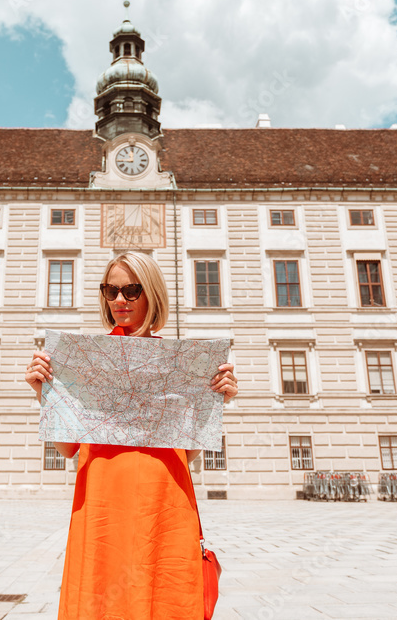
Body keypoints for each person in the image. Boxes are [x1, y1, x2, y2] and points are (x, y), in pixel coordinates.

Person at [25, 251, 238, 620]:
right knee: (102, 595)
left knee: (161, 590)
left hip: (163, 497)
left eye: (132, 290)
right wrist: (42, 392)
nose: (119, 300)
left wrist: (216, 402)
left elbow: (185, 456)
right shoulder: (83, 359)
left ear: (152, 293)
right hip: (102, 499)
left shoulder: (181, 361)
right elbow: (69, 449)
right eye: (111, 290)